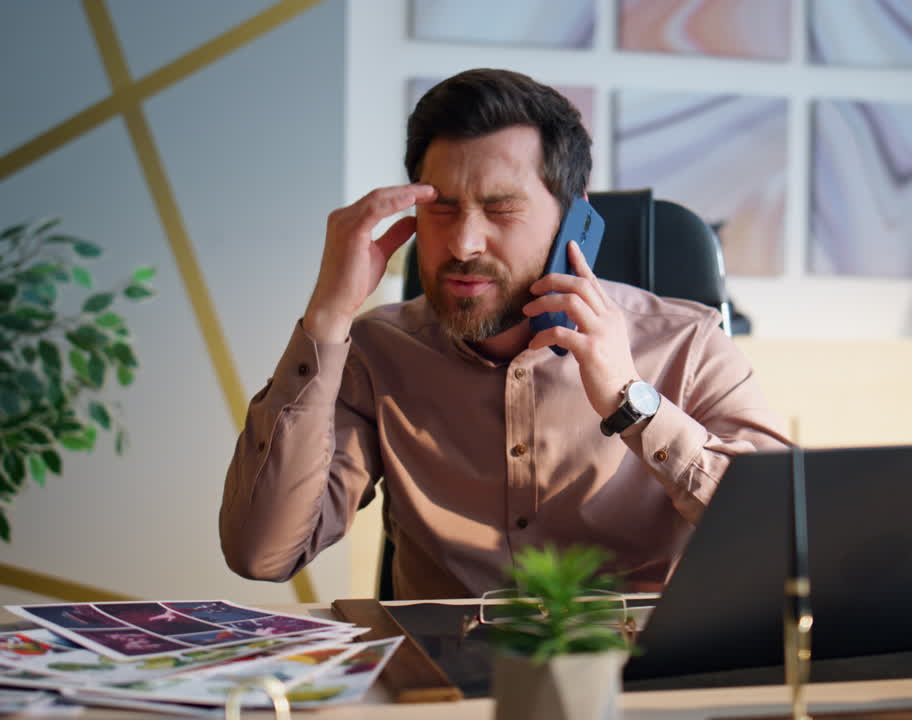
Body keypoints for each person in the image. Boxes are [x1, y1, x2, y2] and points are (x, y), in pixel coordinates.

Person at [220, 68, 789, 599]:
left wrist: (632, 401)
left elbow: (787, 541)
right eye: (442, 209)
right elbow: (262, 554)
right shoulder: (375, 352)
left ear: (573, 220)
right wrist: (326, 317)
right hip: (443, 671)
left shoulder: (687, 343)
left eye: (500, 209)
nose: (464, 243)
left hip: (629, 665)